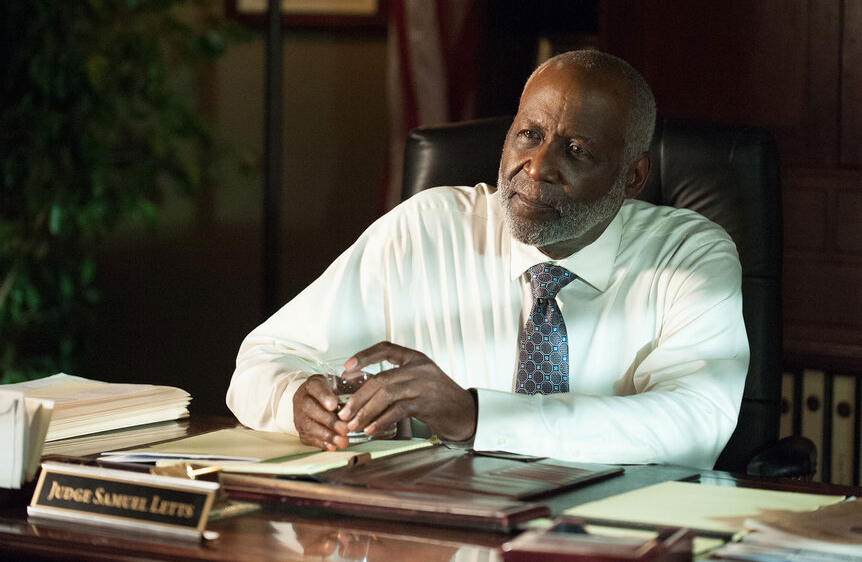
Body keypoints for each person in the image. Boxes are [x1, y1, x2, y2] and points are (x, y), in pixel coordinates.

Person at [226, 50, 749, 469]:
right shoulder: (427, 229)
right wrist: (297, 400)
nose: (537, 167)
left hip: (614, 535)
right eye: (530, 135)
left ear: (633, 177)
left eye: (577, 151)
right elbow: (261, 360)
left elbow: (695, 423)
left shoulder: (690, 256)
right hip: (447, 527)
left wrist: (477, 416)